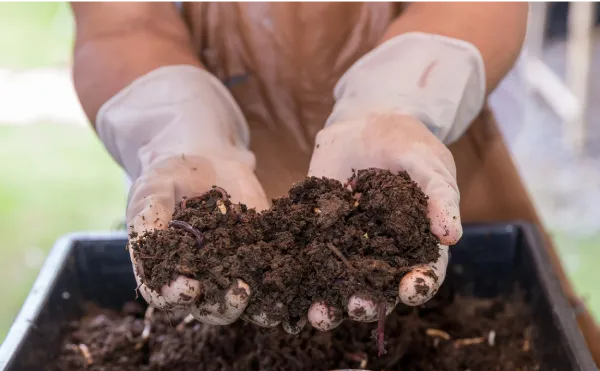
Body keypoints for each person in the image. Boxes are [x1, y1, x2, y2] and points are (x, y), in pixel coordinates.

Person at [71, 0, 528, 332]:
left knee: (492, 308)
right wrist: (177, 130)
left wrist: (396, 103)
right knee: (200, 305)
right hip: (204, 169)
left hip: (415, 146)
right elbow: (123, 24)